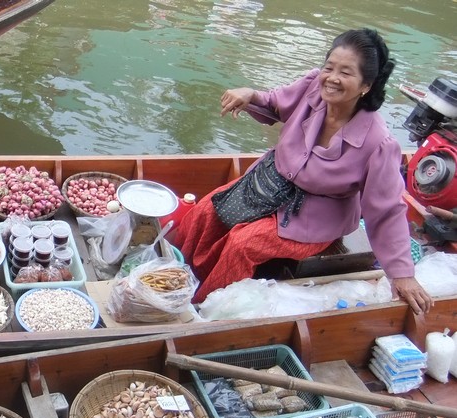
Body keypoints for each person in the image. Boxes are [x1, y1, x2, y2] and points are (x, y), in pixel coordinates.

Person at [175, 28, 434, 314]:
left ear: (366, 85)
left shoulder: (379, 143)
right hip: (268, 183)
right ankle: (175, 282)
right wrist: (250, 95)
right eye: (329, 67)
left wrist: (402, 274)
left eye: (346, 73)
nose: (332, 78)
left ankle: (204, 310)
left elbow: (386, 211)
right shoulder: (313, 87)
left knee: (242, 244)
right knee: (205, 211)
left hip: (314, 215)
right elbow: (275, 103)